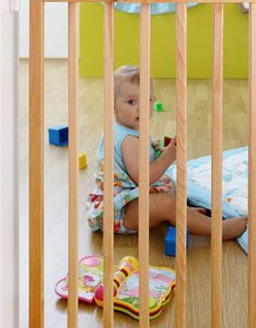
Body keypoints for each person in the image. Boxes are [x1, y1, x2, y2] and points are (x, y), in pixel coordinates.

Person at [86, 65, 247, 239]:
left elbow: (141, 159)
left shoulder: (127, 128)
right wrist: (168, 156)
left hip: (129, 198)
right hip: (120, 212)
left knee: (168, 182)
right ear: (113, 105)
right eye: (132, 102)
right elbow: (143, 177)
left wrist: (162, 151)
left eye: (147, 100)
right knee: (166, 203)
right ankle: (217, 230)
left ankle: (183, 215)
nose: (141, 108)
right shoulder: (128, 140)